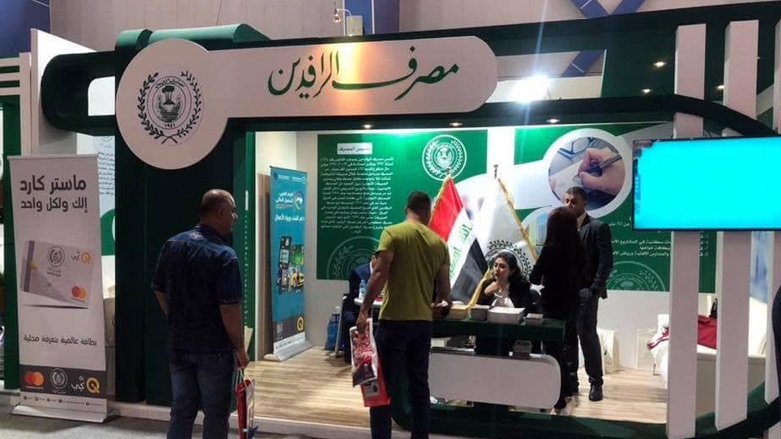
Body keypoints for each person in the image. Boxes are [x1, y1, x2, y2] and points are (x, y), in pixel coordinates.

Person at [152, 189, 250, 439]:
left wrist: (174, 317)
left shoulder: (172, 244)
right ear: (220, 212)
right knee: (215, 414)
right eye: (233, 211)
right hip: (213, 349)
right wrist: (240, 348)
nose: (235, 217)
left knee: (181, 411)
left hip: (179, 344)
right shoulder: (225, 256)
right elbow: (230, 308)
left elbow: (159, 289)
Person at [356, 191, 452, 439]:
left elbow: (379, 274)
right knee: (419, 387)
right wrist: (440, 306)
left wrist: (364, 309)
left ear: (406, 209)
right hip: (422, 325)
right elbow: (445, 292)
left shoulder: (393, 233)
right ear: (427, 211)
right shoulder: (439, 243)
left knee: (383, 388)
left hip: (394, 322)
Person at [529, 206, 585, 413]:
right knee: (562, 349)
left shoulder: (550, 250)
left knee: (552, 352)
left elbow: (534, 277)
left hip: (552, 306)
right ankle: (567, 391)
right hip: (572, 304)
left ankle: (559, 399)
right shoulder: (579, 250)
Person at [564, 186, 614, 402]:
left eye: (573, 201)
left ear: (584, 203)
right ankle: (571, 381)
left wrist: (594, 290)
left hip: (586, 292)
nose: (569, 205)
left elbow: (606, 262)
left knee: (587, 336)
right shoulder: (561, 228)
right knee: (567, 337)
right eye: (566, 201)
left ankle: (596, 383)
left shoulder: (598, 227)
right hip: (565, 293)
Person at [474, 251, 540, 355]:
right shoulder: (487, 284)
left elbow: (525, 312)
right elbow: (478, 312)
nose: (497, 269)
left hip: (513, 334)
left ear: (511, 270)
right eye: (495, 265)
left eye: (502, 266)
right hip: (489, 333)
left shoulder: (521, 286)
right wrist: (486, 294)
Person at [340, 252, 378, 364]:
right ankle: (349, 354)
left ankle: (376, 354)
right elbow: (355, 293)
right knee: (350, 319)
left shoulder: (385, 272)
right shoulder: (357, 272)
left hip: (376, 307)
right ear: (373, 258)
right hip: (355, 307)